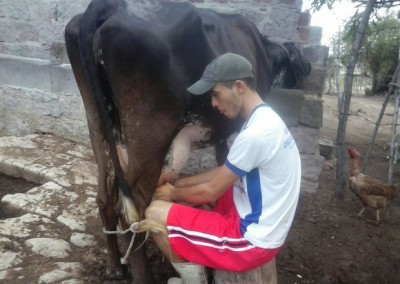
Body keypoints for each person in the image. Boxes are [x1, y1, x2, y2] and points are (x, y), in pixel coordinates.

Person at [145, 52, 301, 284]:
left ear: (238, 86)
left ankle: (195, 281)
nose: (213, 104)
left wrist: (171, 194)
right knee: (192, 197)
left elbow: (210, 190)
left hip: (251, 241)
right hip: (265, 224)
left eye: (216, 94)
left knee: (155, 213)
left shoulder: (256, 135)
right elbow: (221, 174)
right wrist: (177, 183)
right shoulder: (265, 119)